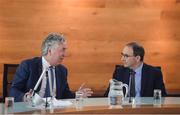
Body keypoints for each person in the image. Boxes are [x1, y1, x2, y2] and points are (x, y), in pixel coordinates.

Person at [9, 33, 93, 102]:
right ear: (50, 51)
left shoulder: (62, 70)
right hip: (31, 110)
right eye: (63, 50)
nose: (65, 54)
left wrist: (77, 95)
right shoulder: (28, 65)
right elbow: (13, 91)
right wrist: (25, 97)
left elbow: (64, 94)